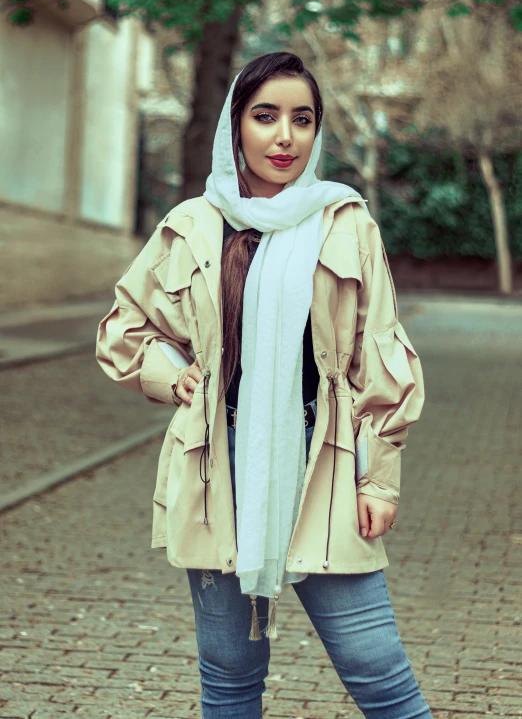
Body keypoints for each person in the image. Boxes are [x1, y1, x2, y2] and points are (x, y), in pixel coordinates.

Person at [96, 51, 432, 719]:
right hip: (217, 459)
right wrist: (174, 374)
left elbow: (383, 357)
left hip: (325, 456)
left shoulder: (346, 221)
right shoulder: (195, 223)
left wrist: (380, 479)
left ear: (317, 132)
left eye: (301, 120)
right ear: (236, 126)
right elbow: (123, 327)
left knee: (379, 672)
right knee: (228, 675)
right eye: (266, 116)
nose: (284, 136)